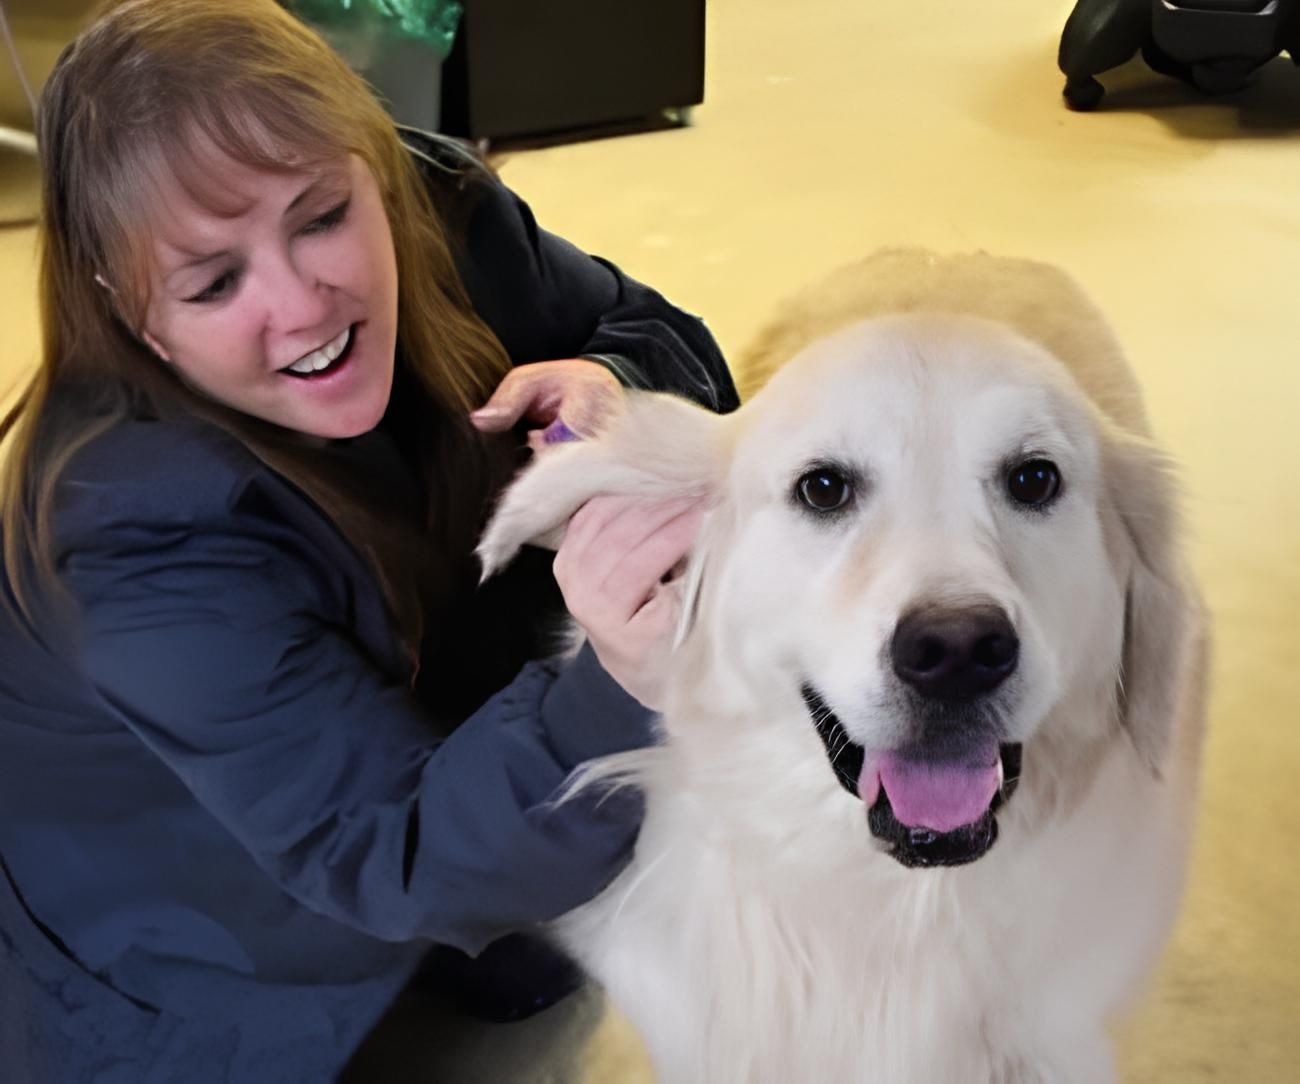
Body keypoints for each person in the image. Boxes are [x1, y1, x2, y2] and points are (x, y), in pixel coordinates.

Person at [0, 1, 738, 1080]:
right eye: (214, 281)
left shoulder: (431, 200)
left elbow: (658, 333)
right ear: (130, 312)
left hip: (403, 689)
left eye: (321, 215)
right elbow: (385, 850)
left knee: (540, 915)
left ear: (369, 169)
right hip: (187, 896)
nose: (304, 302)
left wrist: (619, 388)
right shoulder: (120, 527)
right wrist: (620, 682)